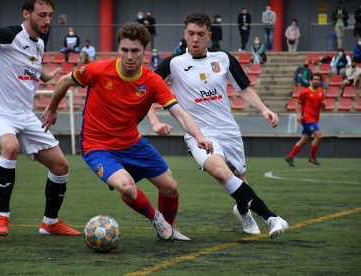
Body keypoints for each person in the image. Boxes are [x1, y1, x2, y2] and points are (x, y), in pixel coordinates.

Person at [41, 22, 213, 241]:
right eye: (124, 50)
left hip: (132, 143)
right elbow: (65, 81)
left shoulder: (152, 81)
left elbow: (178, 112)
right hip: (97, 147)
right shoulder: (97, 70)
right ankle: (157, 221)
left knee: (170, 187)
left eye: (135, 51)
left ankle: (167, 231)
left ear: (145, 52)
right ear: (118, 50)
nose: (129, 56)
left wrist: (199, 136)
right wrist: (52, 108)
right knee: (127, 187)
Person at [149, 12, 288, 239]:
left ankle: (243, 211)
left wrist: (264, 109)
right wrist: (154, 122)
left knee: (240, 180)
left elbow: (243, 88)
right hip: (199, 134)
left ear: (209, 35)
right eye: (191, 34)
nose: (195, 39)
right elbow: (145, 92)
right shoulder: (173, 64)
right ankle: (272, 218)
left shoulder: (223, 59)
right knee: (220, 172)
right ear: (185, 34)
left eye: (200, 34)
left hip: (229, 131)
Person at [0, 0, 80, 237]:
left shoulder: (39, 44)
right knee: (11, 147)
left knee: (61, 166)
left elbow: (31, 67)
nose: (47, 21)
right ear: (26, 14)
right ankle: (2, 217)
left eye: (50, 15)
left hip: (25, 116)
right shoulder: (9, 35)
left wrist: (46, 75)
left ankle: (50, 223)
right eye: (42, 15)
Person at [285, 73, 325, 166]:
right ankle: (311, 157)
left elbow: (323, 102)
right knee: (319, 136)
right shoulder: (305, 92)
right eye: (314, 79)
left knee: (304, 140)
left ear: (320, 81)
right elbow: (297, 103)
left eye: (318, 80)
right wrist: (298, 115)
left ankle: (290, 156)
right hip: (307, 119)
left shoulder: (321, 91)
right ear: (311, 81)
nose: (316, 81)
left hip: (314, 119)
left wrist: (323, 104)